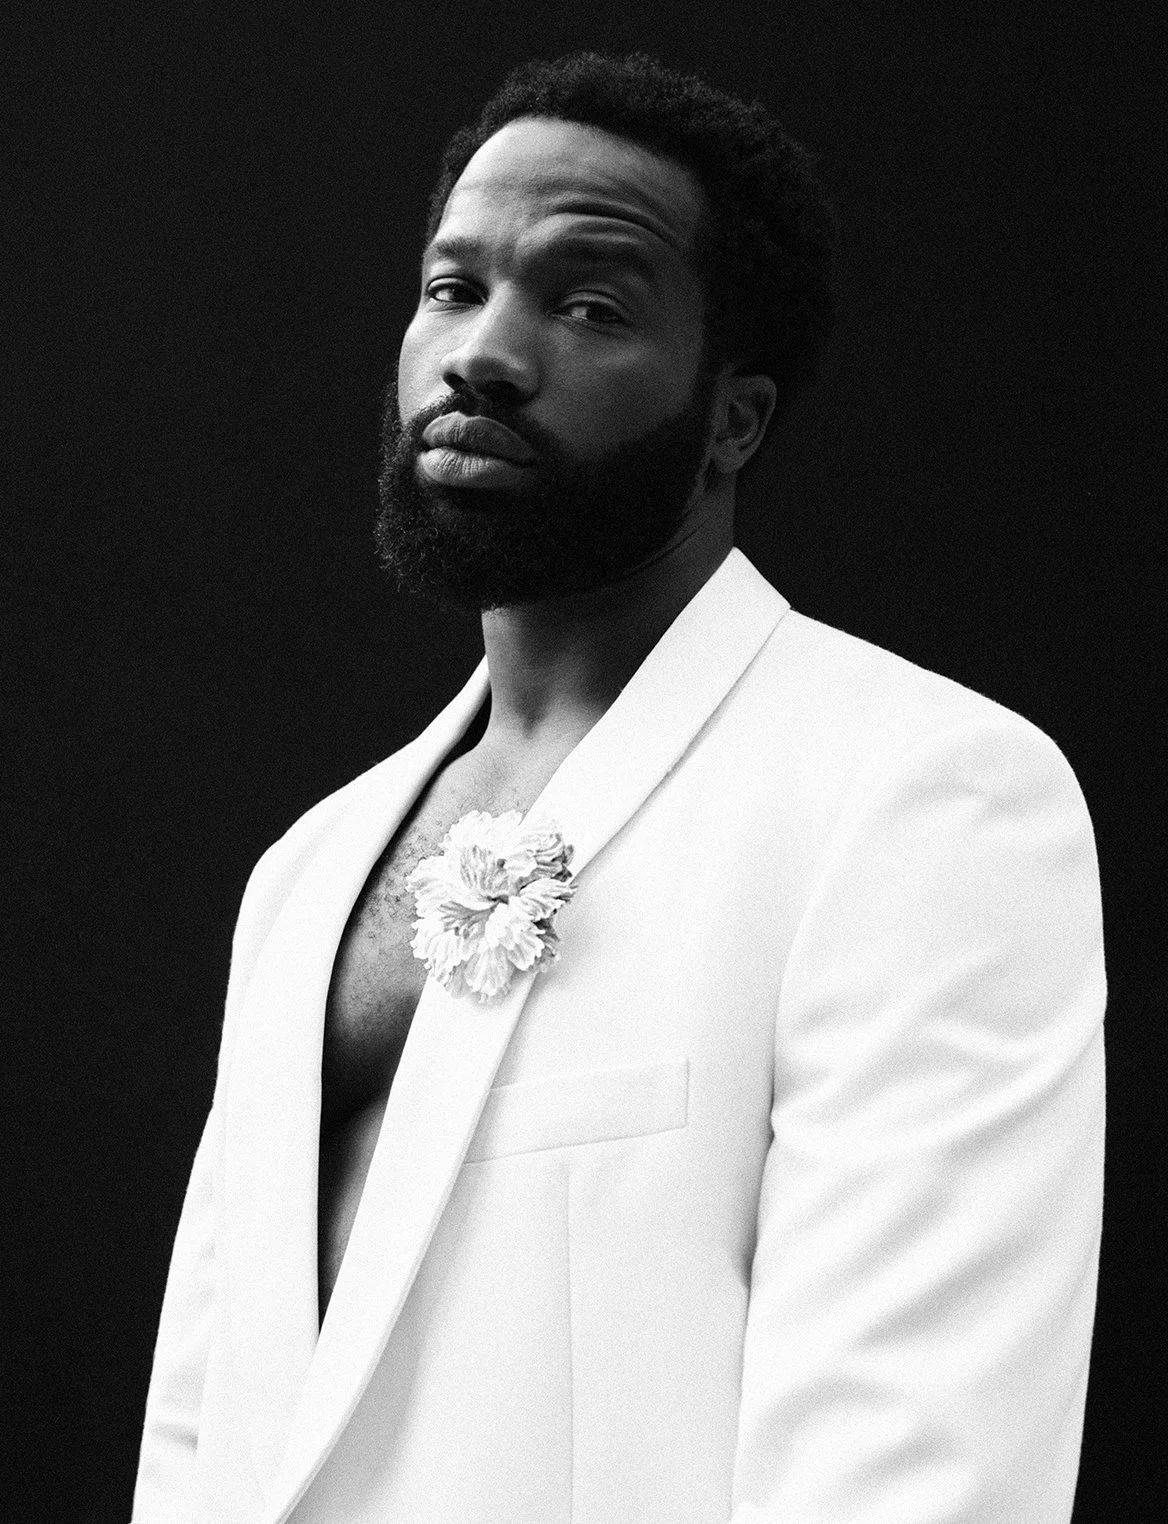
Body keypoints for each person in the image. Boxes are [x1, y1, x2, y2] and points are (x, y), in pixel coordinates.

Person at [133, 51, 1105, 1524]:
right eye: (453, 289)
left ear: (735, 417)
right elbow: (204, 1432)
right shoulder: (308, 868)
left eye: (588, 304)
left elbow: (915, 1472)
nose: (484, 353)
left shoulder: (920, 799)